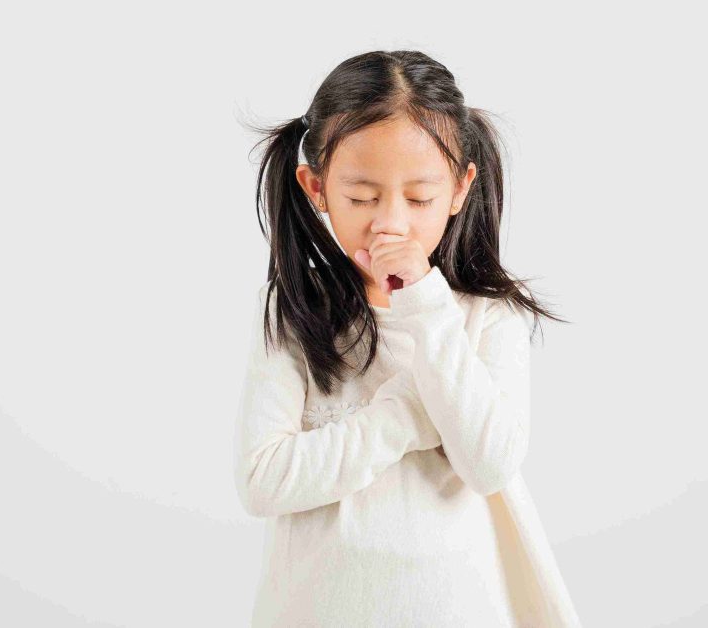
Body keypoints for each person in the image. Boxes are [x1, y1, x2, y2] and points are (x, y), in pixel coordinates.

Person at [232, 50, 583, 627]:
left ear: (460, 188)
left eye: (419, 198)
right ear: (316, 187)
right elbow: (263, 480)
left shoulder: (486, 317)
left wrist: (425, 302)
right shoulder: (298, 310)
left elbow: (490, 465)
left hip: (460, 608)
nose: (390, 222)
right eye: (362, 198)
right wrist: (406, 414)